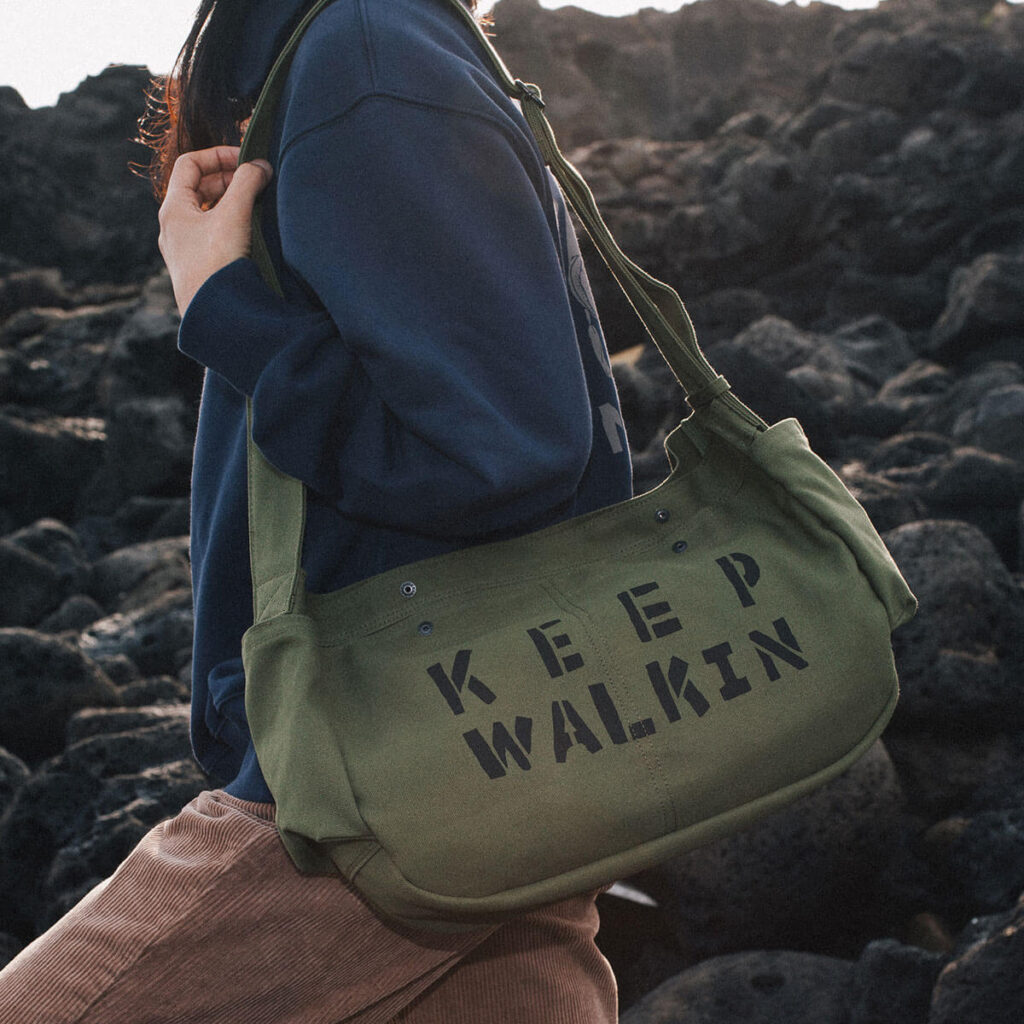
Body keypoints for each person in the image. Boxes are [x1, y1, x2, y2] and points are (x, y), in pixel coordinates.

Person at [0, 0, 632, 1019]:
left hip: (383, 770)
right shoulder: (375, 46)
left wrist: (222, 301)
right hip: (512, 751)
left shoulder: (368, 53)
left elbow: (501, 445)